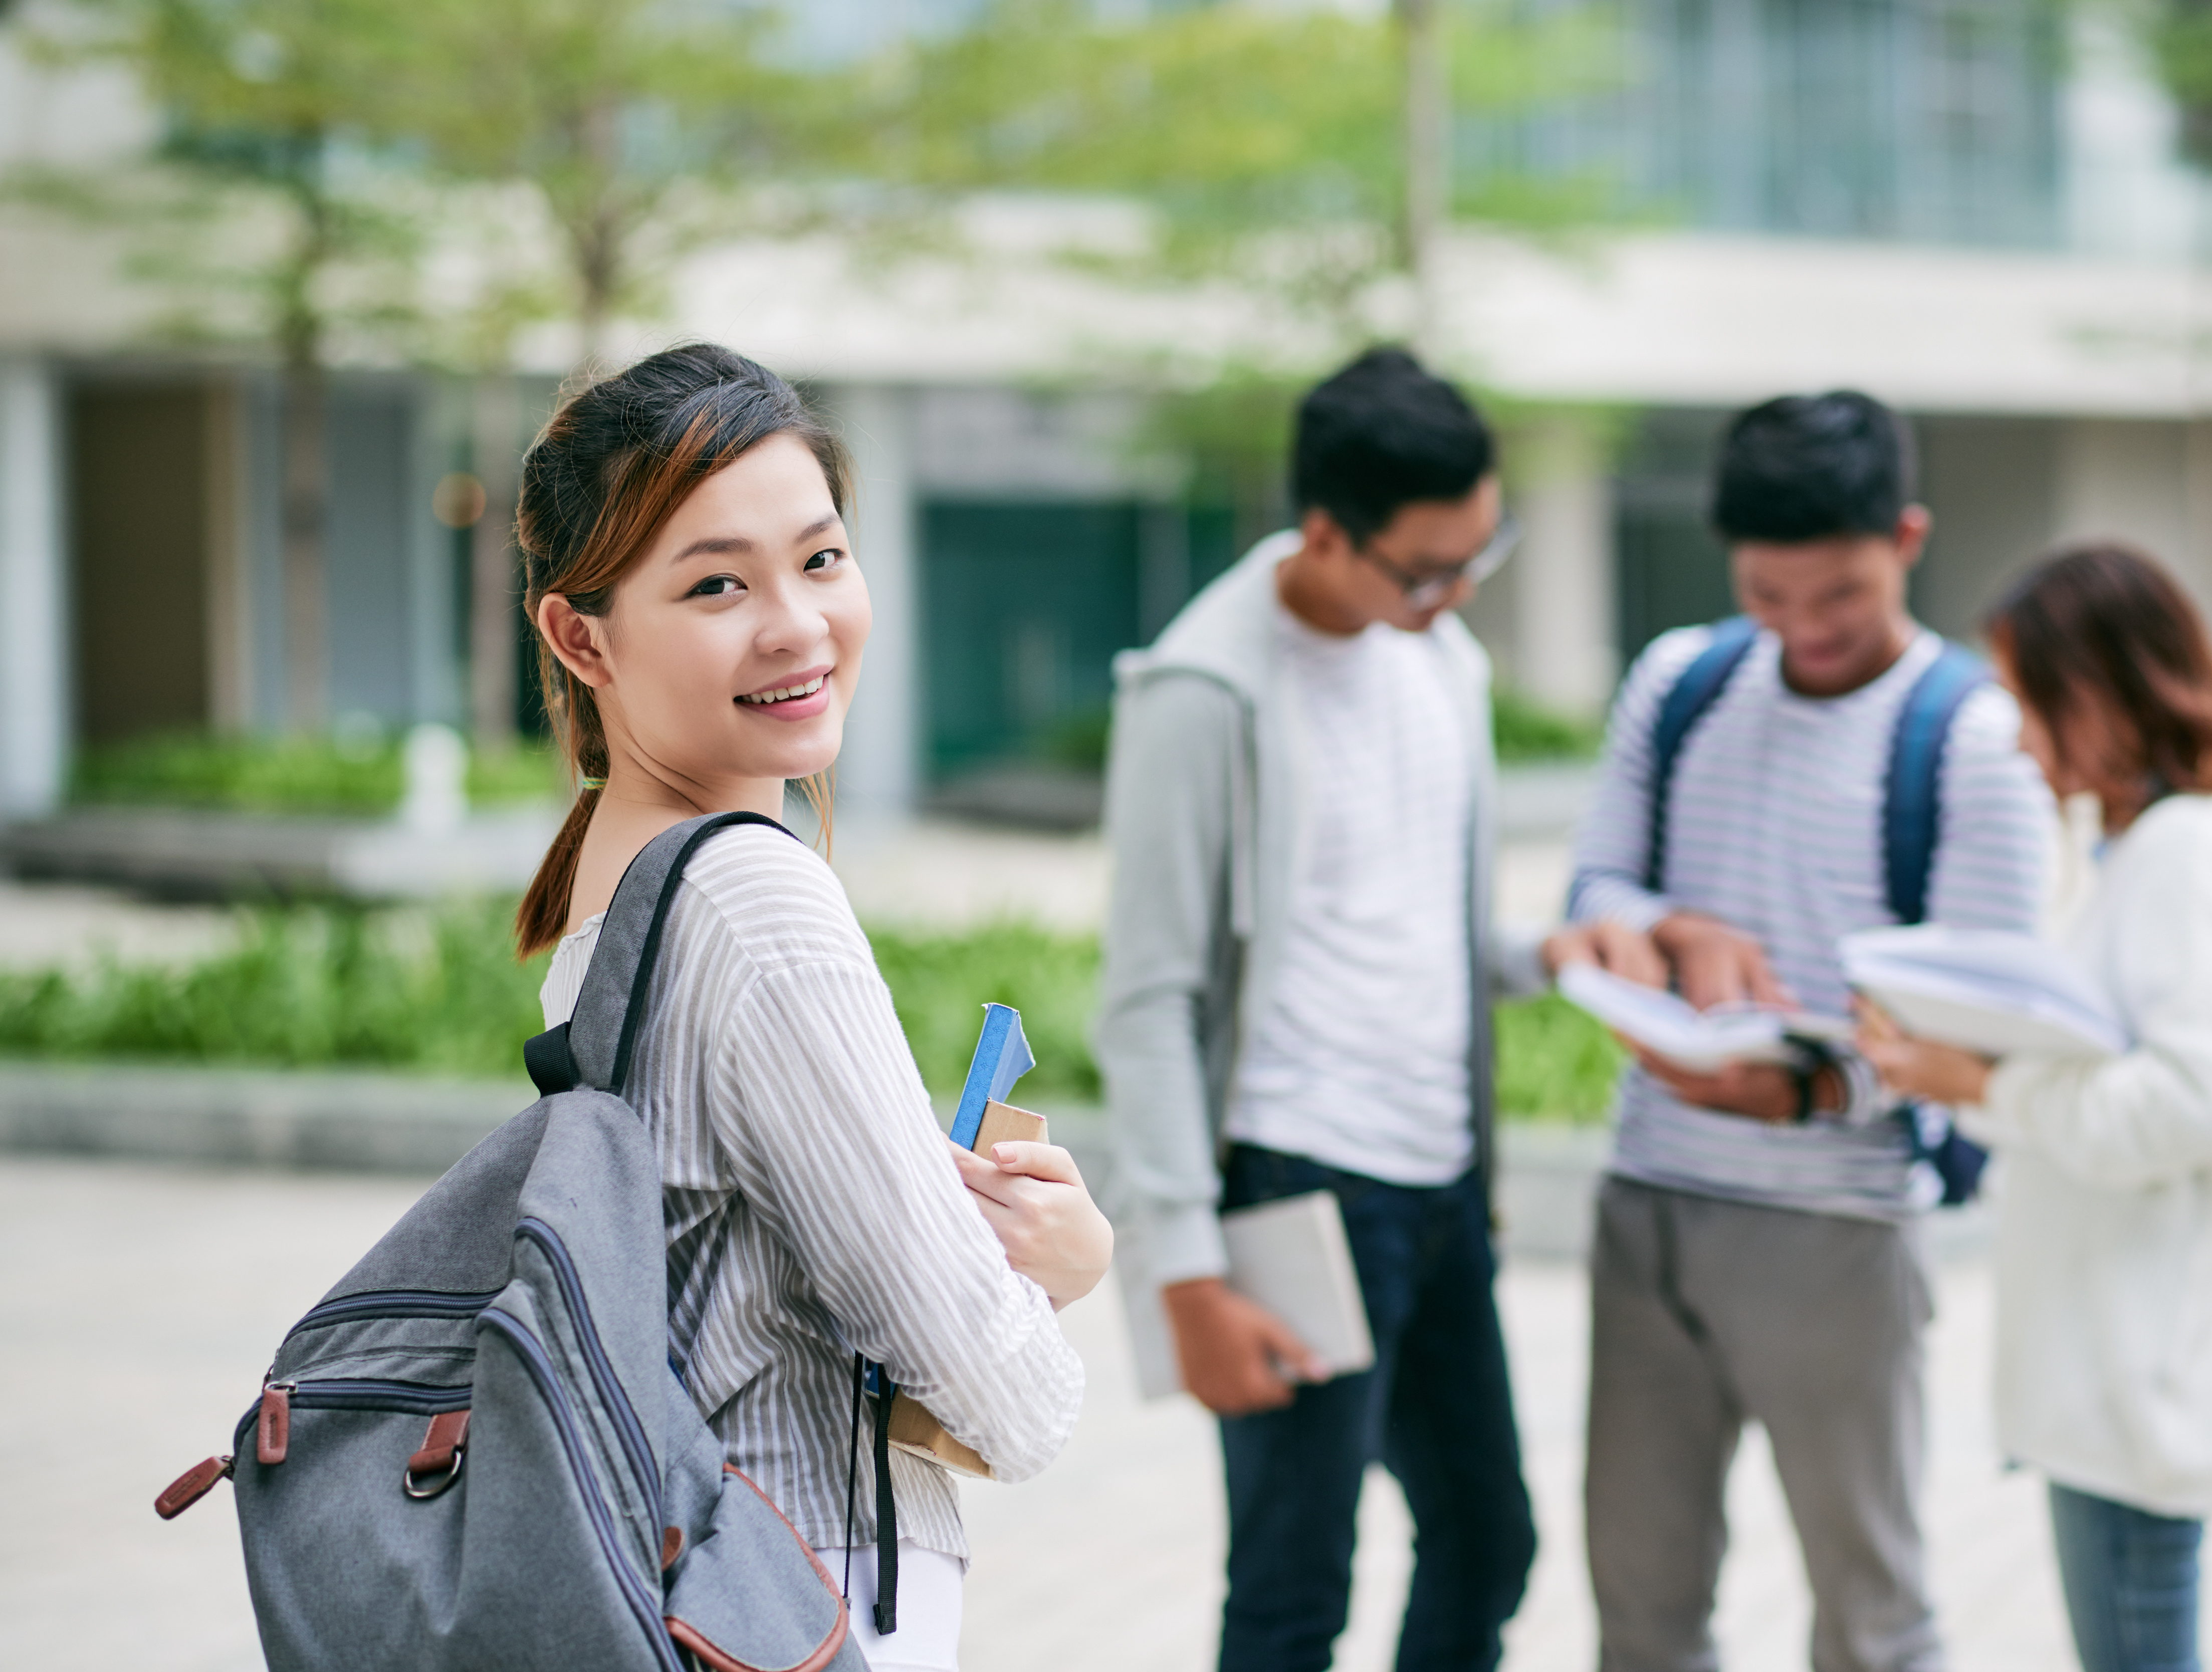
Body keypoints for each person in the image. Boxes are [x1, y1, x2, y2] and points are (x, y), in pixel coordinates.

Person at [515, 343, 1112, 1672]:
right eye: (717, 582)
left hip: (692, 1587)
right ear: (580, 634)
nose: (796, 623)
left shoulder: (617, 895)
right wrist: (1060, 1271)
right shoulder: (753, 905)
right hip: (799, 1602)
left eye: (822, 559)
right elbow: (1010, 1402)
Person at [1096, 345, 1652, 1672]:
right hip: (1297, 1181)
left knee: (1490, 1536)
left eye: (1479, 555)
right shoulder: (1205, 689)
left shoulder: (1438, 661)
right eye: (1424, 569)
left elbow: (1414, 923)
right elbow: (1150, 997)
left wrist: (1551, 955)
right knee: (1296, 1589)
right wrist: (1185, 1266)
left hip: (1443, 1182)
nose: (1454, 594)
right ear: (1326, 531)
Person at [1564, 390, 2057, 1672]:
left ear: (1907, 537)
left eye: (1834, 596)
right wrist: (1668, 933)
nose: (1802, 630)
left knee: (1870, 1617)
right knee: (1641, 1607)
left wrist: (1806, 1093)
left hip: (1838, 1231)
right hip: (1647, 1207)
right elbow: (1593, 895)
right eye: (1768, 596)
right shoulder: (1681, 680)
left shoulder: (1981, 739)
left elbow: (1979, 1035)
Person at [1858, 541, 2212, 1672]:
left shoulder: (2182, 854)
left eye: (2029, 701)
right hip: (2122, 1369)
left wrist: (1984, 1084)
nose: (2016, 736)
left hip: (2137, 1379)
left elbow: (2195, 1101)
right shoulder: (2140, 846)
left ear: (2101, 690)